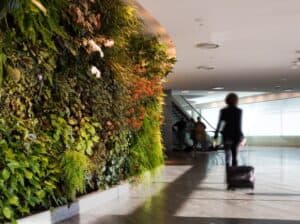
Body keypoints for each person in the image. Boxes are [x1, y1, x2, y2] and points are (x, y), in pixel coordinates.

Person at [214, 93, 243, 167]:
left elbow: (220, 122)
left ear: (226, 101)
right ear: (236, 100)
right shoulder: (238, 111)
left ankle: (227, 167)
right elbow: (238, 124)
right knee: (234, 154)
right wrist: (241, 134)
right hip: (235, 134)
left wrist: (216, 133)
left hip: (226, 133)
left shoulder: (223, 110)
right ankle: (234, 169)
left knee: (227, 152)